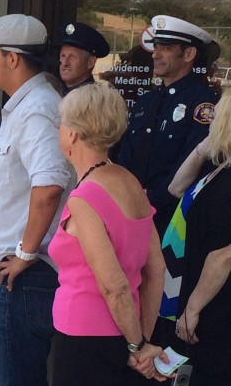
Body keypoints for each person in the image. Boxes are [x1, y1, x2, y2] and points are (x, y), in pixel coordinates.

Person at [48, 84, 169, 385]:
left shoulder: (84, 197)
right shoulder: (130, 182)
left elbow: (113, 286)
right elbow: (156, 269)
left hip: (83, 339)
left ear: (73, 133)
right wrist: (141, 339)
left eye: (61, 124)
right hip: (127, 333)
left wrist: (138, 345)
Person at [0, 14, 73, 386]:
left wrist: (24, 253)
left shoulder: (36, 108)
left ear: (12, 58)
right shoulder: (27, 104)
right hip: (18, 272)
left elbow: (49, 186)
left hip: (22, 277)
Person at [117, 15, 219, 238]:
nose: (155, 54)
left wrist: (151, 200)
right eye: (155, 47)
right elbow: (127, 154)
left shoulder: (202, 103)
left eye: (165, 48)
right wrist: (126, 194)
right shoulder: (147, 101)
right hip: (130, 213)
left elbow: (192, 163)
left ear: (189, 54)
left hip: (171, 221)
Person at [173, 91, 231, 385]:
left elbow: (224, 254)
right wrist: (202, 147)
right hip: (195, 290)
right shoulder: (219, 164)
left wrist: (192, 309)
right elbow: (176, 187)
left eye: (218, 113)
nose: (210, 118)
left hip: (214, 302)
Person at [56, 22, 110, 96]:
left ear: (90, 62)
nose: (65, 63)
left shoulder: (96, 101)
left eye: (72, 57)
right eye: (63, 56)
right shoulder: (55, 93)